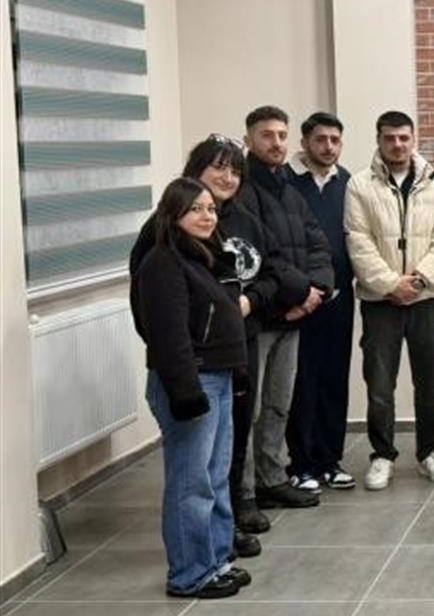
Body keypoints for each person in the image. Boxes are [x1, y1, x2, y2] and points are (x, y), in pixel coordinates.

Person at [129, 135, 308, 559]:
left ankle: (221, 533)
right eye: (219, 169)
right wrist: (181, 362)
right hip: (195, 362)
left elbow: (273, 271)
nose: (228, 178)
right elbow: (151, 307)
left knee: (229, 443)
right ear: (196, 170)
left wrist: (250, 302)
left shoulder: (241, 220)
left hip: (236, 351)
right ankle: (196, 558)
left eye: (235, 171)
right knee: (195, 468)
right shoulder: (163, 235)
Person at [133, 178, 251, 599]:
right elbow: (168, 337)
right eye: (196, 209)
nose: (207, 216)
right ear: (173, 214)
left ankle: (216, 560)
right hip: (191, 383)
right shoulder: (162, 262)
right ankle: (190, 574)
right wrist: (185, 392)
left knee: (215, 477)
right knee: (191, 483)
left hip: (218, 378)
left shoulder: (204, 257)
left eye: (211, 209)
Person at [346, 110, 434, 489]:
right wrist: (390, 284)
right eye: (389, 138)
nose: (397, 144)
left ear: (414, 140)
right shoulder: (359, 185)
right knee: (380, 385)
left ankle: (431, 452)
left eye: (403, 138)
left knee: (431, 383)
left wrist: (420, 279)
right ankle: (382, 455)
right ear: (379, 140)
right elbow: (358, 242)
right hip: (381, 302)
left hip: (427, 299)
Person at [237, 106, 334, 524]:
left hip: (294, 318)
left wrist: (318, 291)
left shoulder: (291, 193)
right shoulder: (241, 192)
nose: (276, 143)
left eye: (281, 135)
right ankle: (243, 492)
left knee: (278, 405)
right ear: (248, 140)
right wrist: (301, 293)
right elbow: (264, 256)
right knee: (250, 410)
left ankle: (272, 478)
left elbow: (319, 246)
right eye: (266, 135)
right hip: (260, 318)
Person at [285, 112, 357, 492]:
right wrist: (303, 290)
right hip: (301, 300)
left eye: (335, 140)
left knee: (334, 379)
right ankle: (302, 463)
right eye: (320, 140)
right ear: (305, 143)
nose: (328, 147)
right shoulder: (286, 181)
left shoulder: (348, 182)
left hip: (340, 298)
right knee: (302, 382)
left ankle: (330, 460)